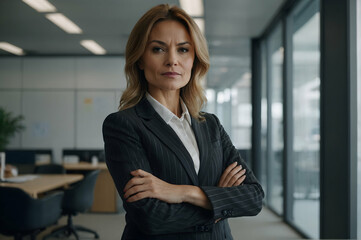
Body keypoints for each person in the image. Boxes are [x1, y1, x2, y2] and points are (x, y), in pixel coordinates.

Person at [103, 4, 264, 240]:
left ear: (194, 59)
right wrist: (218, 202)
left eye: (183, 50)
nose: (172, 61)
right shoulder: (123, 125)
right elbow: (151, 217)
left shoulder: (210, 125)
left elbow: (253, 197)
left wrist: (182, 192)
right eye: (158, 49)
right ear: (140, 59)